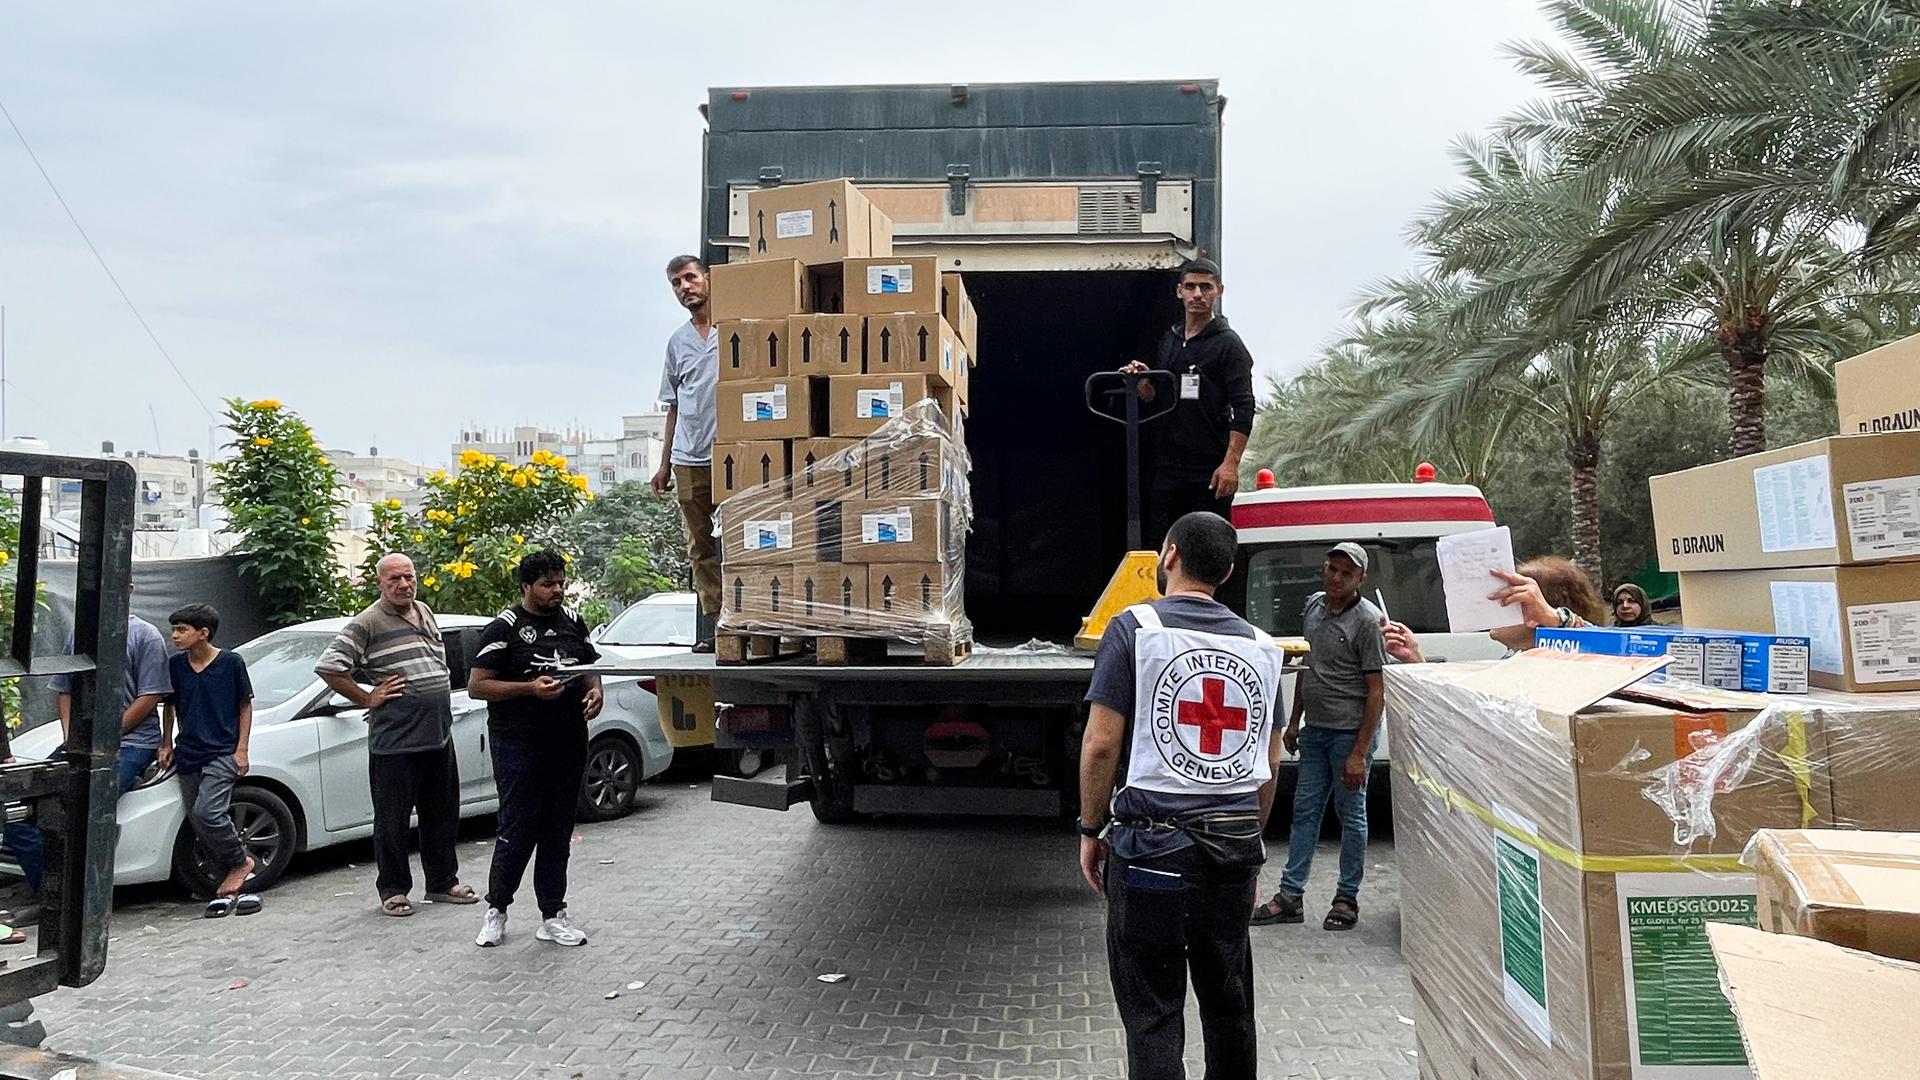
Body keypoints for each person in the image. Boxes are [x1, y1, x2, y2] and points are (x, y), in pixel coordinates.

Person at [1079, 511, 1285, 1079]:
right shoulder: (1265, 649)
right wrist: (1250, 844)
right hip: (1232, 853)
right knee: (1229, 1004)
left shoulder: (1134, 629)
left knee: (1153, 1012)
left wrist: (1091, 829)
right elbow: (1269, 762)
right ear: (1228, 570)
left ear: (1168, 555)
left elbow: (1100, 746)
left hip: (1151, 856)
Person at [315, 553, 478, 917]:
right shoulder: (368, 621)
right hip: (396, 742)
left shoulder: (424, 610)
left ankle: (442, 883)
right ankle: (393, 889)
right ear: (380, 584)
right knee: (392, 819)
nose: (404, 585)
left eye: (408, 577)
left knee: (442, 813)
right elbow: (329, 666)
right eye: (394, 580)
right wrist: (367, 698)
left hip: (437, 735)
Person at [469, 550, 604, 949]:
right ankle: (497, 910)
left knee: (558, 828)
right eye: (547, 584)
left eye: (561, 582)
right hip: (518, 742)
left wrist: (595, 690)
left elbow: (589, 664)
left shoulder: (573, 622)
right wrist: (529, 688)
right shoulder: (505, 628)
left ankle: (553, 914)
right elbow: (478, 685)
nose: (557, 590)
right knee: (518, 825)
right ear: (527, 587)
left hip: (567, 740)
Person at [1252, 542, 1386, 933]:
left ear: (1360, 578)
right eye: (1332, 569)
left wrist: (1360, 752)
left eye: (1346, 573)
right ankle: (1290, 896)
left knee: (1352, 816)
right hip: (1316, 733)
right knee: (1304, 813)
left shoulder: (1367, 622)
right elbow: (1310, 664)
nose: (1336, 578)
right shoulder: (1313, 607)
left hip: (1350, 735)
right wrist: (1294, 722)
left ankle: (1347, 897)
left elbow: (1377, 691)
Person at [5, 599, 173, 901]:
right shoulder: (79, 637)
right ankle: (54, 898)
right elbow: (65, 690)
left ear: (128, 589)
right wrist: (72, 740)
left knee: (85, 804)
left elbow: (151, 695)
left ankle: (82, 899)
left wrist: (105, 737)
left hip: (132, 742)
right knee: (19, 812)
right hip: (83, 743)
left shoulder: (144, 635)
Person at [1119, 258, 1257, 549]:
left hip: (1208, 471)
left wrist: (1230, 464)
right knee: (1164, 548)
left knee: (1207, 551)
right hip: (1168, 468)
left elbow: (1243, 407)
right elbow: (1160, 396)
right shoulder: (1169, 340)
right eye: (1191, 286)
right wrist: (1143, 383)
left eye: (1205, 287)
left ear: (1218, 291)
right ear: (1179, 291)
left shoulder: (1229, 344)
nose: (1198, 294)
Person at [159, 604, 259, 916]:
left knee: (208, 812)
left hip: (222, 752)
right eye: (174, 629)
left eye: (182, 630)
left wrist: (241, 749)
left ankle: (242, 862)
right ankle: (227, 888)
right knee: (198, 820)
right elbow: (169, 706)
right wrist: (166, 742)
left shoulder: (231, 662)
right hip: (188, 752)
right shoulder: (176, 665)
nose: (175, 635)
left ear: (203, 633)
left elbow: (245, 705)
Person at [652, 254, 721, 651]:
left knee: (739, 539)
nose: (685, 288)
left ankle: (750, 620)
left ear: (707, 278)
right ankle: (717, 625)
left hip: (731, 454)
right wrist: (664, 465)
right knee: (700, 547)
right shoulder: (677, 342)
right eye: (676, 283)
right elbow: (674, 405)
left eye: (690, 278)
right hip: (688, 457)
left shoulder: (732, 328)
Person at [1383, 556, 1606, 663]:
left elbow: (1609, 653)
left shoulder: (1566, 661)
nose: (1495, 602)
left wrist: (1556, 618)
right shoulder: (1512, 658)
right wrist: (1415, 658)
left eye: (1510, 596)